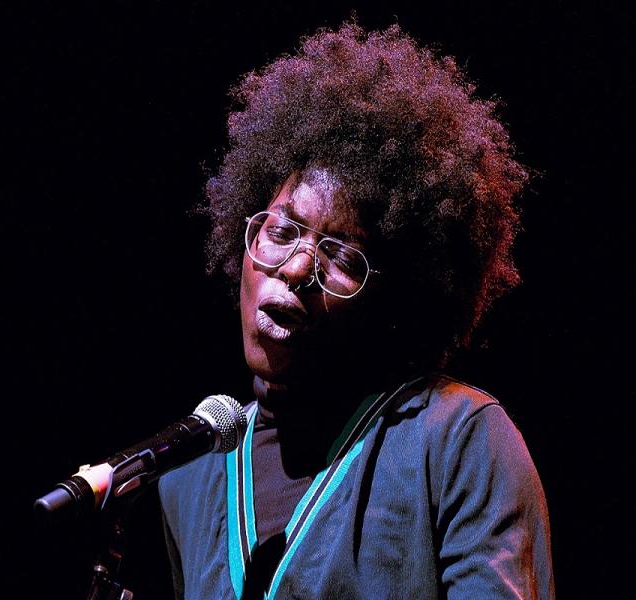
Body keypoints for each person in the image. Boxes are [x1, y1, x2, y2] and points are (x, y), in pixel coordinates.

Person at [158, 20, 554, 599]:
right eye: (282, 230)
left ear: (401, 297)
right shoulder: (188, 477)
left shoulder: (458, 440)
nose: (296, 269)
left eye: (342, 256)